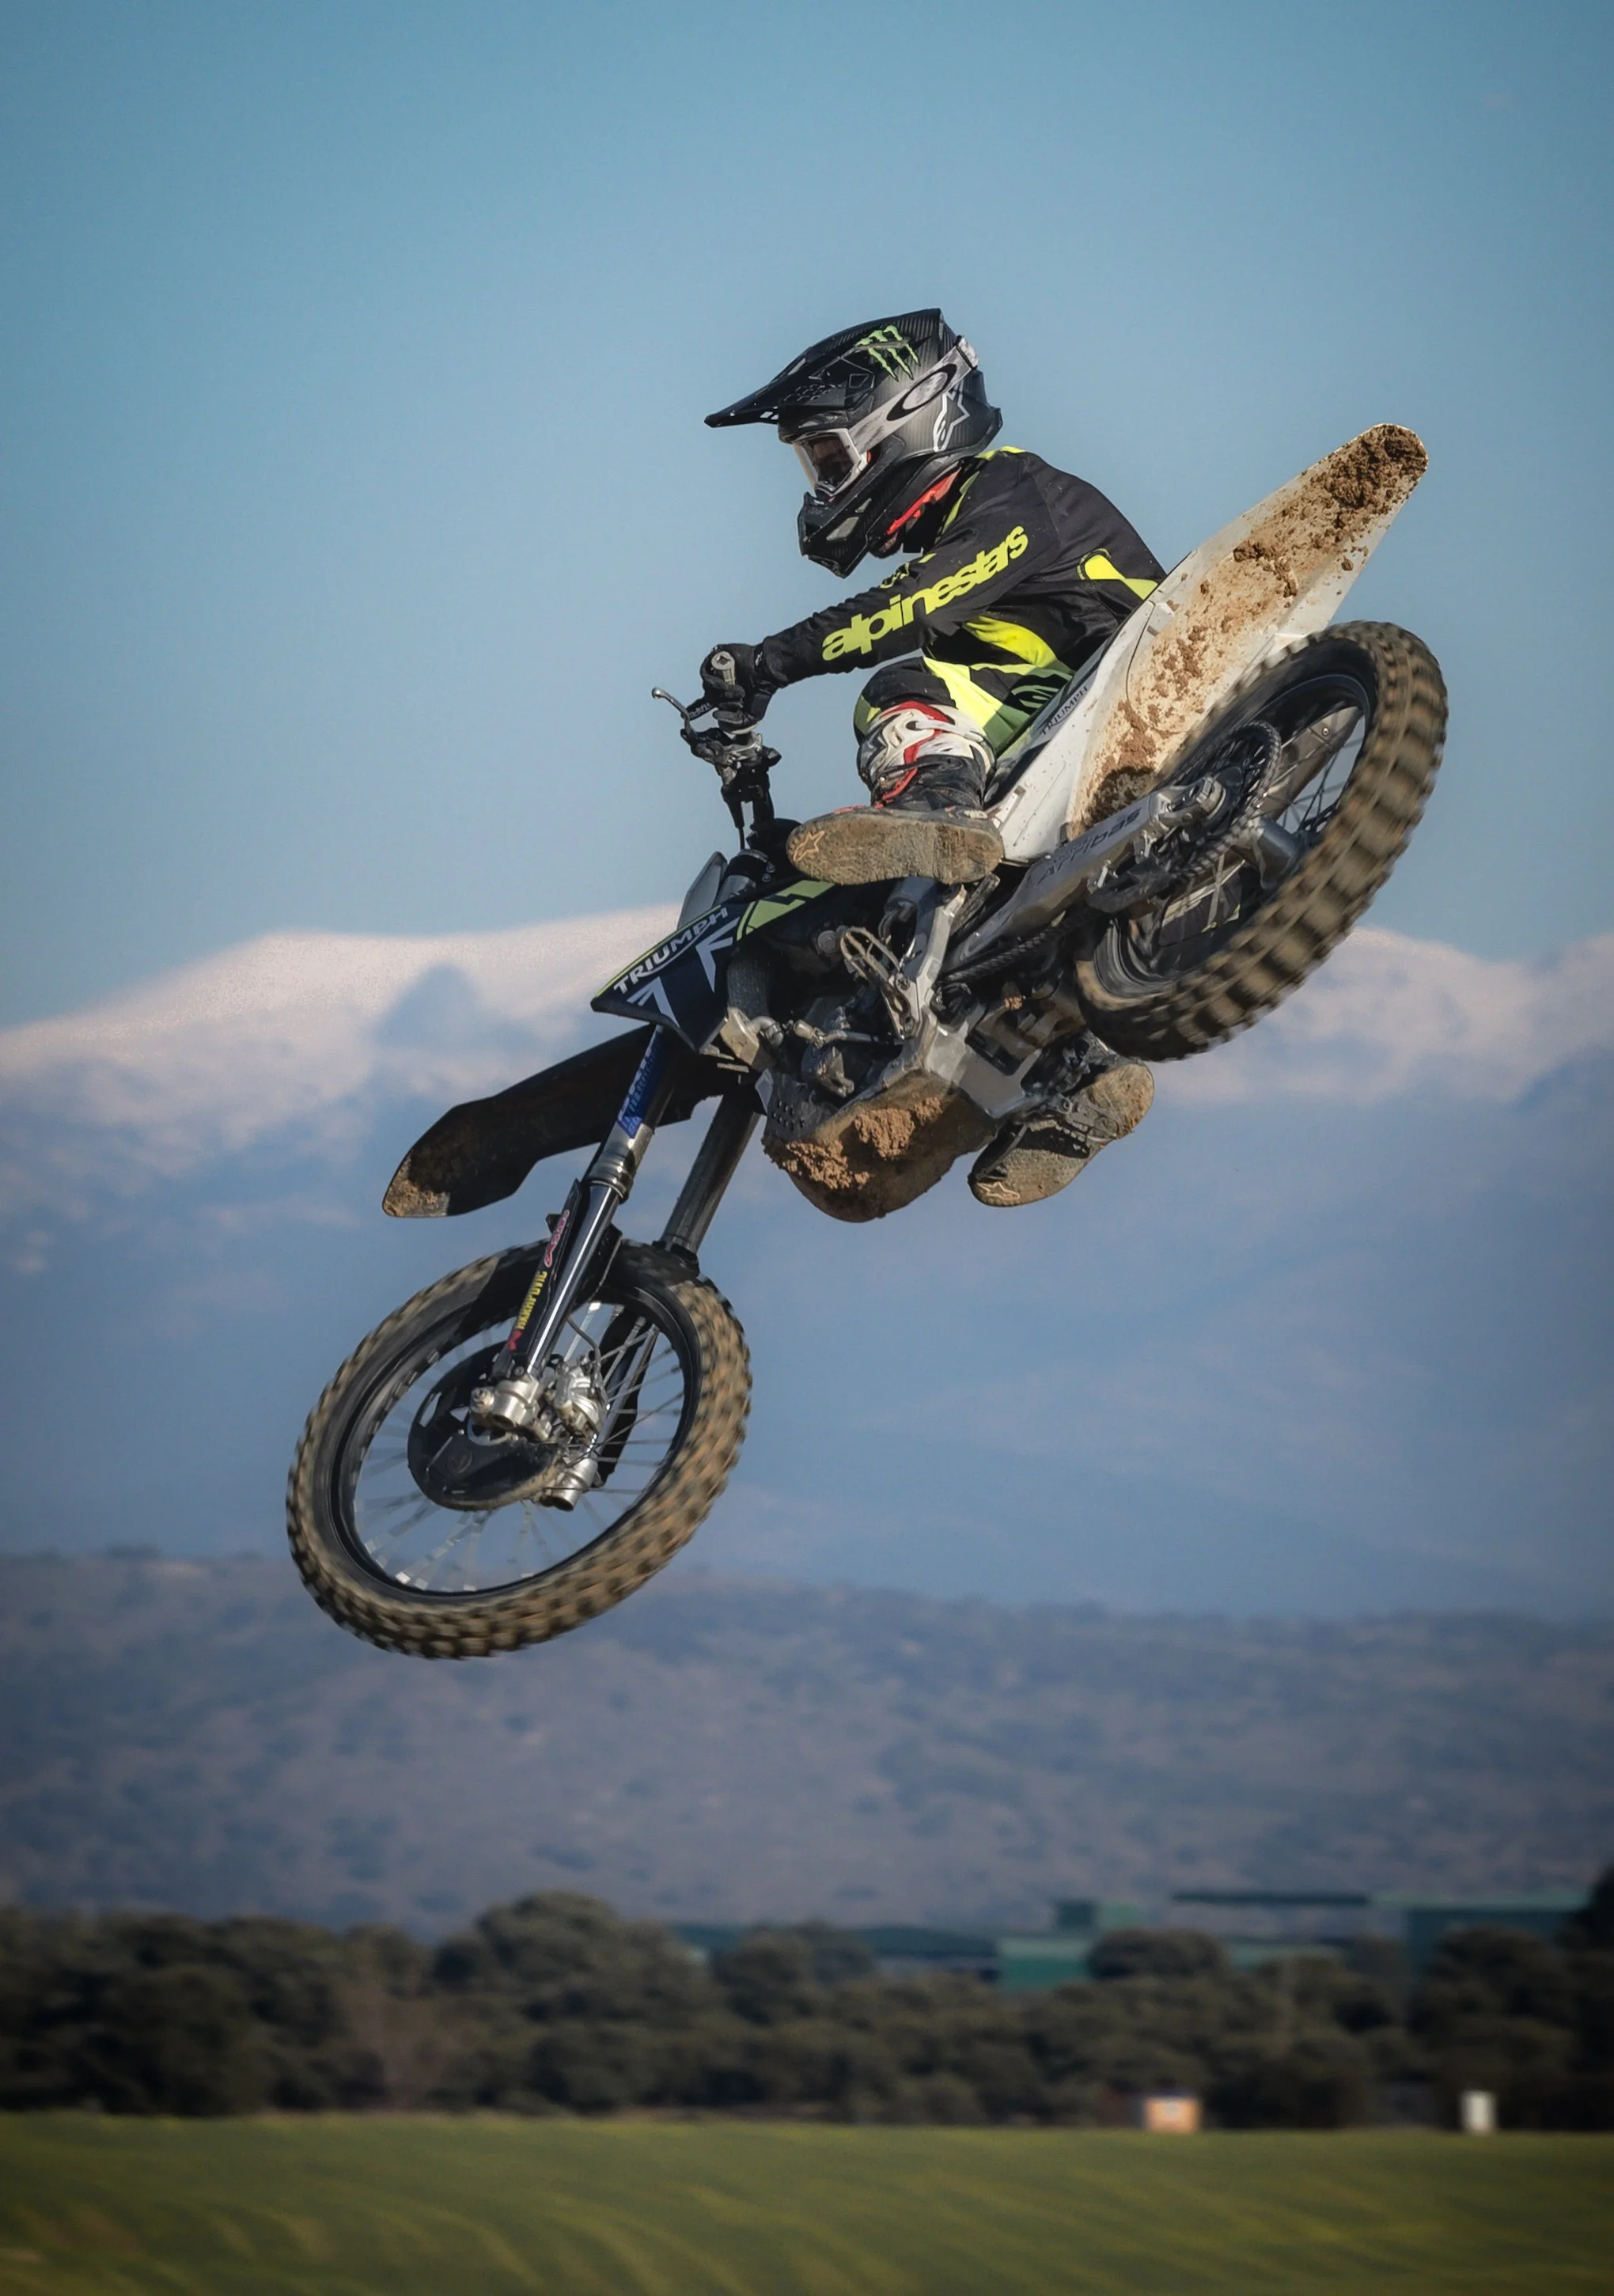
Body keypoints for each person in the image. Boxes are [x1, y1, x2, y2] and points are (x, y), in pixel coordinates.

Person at [699, 308, 1160, 1207]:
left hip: (1101, 701)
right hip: (1064, 749)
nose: (822, 484)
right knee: (972, 933)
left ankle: (939, 808)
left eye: (829, 458)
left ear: (905, 420)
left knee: (900, 693)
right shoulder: (993, 512)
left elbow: (909, 607)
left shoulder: (1011, 493)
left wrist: (770, 662)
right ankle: (1078, 1080)